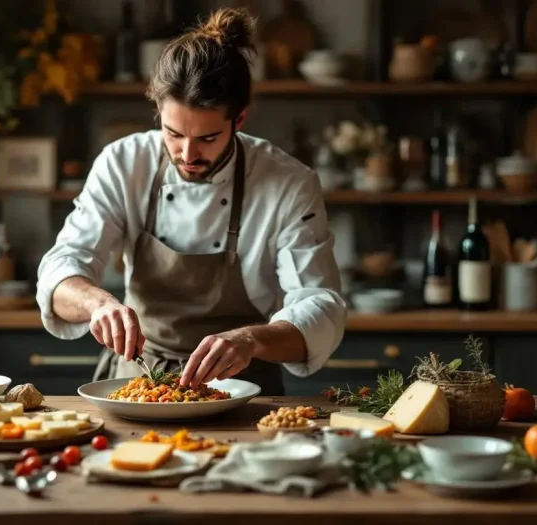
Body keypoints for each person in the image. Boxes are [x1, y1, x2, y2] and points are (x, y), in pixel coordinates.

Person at [36, 7, 347, 396]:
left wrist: (251, 340)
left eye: (207, 138)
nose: (187, 153)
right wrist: (97, 304)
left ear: (240, 120)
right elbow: (61, 268)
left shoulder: (288, 182)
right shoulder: (123, 164)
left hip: (243, 389)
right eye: (173, 133)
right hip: (138, 380)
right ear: (157, 111)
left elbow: (322, 305)